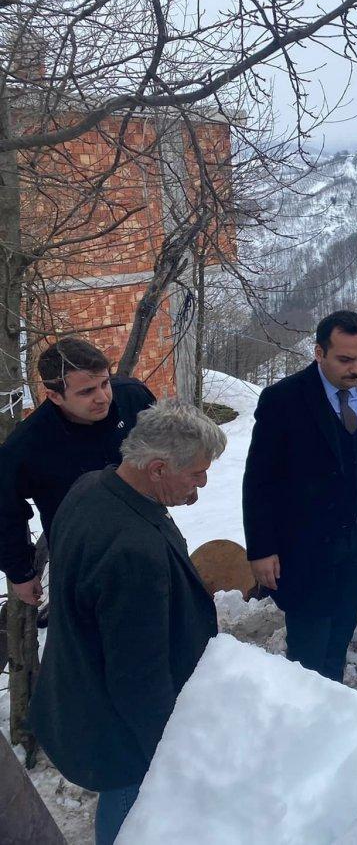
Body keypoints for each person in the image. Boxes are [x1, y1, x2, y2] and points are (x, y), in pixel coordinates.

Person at [30, 399, 225, 845]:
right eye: (195, 473)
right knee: (131, 806)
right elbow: (138, 676)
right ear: (157, 468)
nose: (202, 485)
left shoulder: (92, 486)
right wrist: (166, 750)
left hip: (82, 687)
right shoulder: (133, 551)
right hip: (117, 726)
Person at [243, 310, 357, 682]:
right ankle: (303, 719)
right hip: (306, 551)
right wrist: (261, 548)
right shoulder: (283, 399)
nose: (356, 369)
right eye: (345, 359)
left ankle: (331, 708)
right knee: (307, 653)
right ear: (319, 353)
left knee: (338, 641)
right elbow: (260, 479)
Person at [0, 337, 155, 605]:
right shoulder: (27, 445)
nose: (102, 397)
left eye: (105, 383)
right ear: (54, 395)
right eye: (86, 392)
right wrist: (20, 573)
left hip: (150, 532)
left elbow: (167, 442)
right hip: (83, 557)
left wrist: (182, 476)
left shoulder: (132, 397)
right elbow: (5, 511)